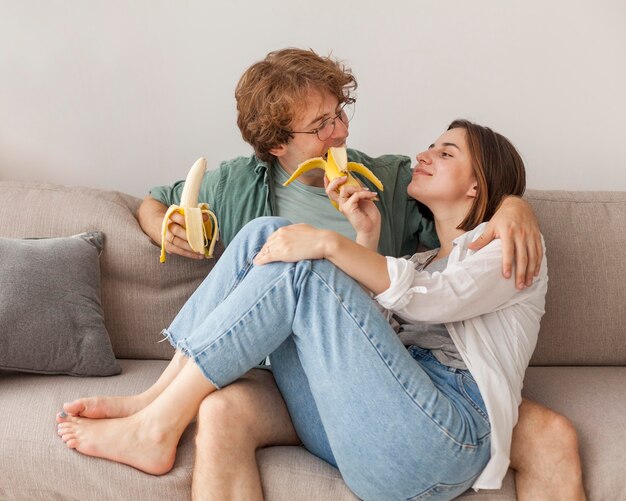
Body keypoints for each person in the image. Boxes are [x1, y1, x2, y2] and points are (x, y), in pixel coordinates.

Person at [59, 49, 585, 500]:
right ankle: (157, 401)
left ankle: (157, 423)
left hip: (441, 434)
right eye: (320, 125)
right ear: (277, 146)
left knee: (301, 263)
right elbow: (370, 339)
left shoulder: (495, 246)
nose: (422, 154)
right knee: (268, 230)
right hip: (364, 421)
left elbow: (435, 297)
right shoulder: (250, 186)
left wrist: (515, 204)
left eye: (444, 152)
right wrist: (363, 238)